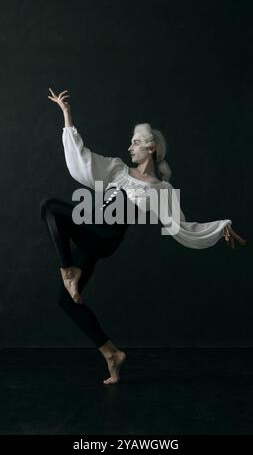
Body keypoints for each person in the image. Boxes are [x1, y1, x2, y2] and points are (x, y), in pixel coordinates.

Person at [40, 88, 246, 385]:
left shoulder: (161, 190)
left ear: (151, 148)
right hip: (92, 233)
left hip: (106, 236)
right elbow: (82, 160)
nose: (130, 147)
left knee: (51, 206)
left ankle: (67, 269)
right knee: (66, 300)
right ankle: (111, 353)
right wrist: (66, 115)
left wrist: (220, 225)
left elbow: (184, 227)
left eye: (136, 142)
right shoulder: (116, 169)